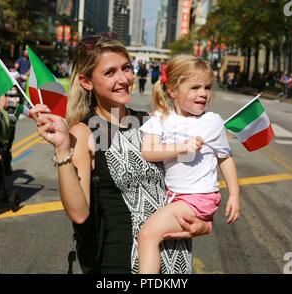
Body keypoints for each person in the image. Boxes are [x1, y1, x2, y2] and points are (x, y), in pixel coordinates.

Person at [30, 35, 211, 274]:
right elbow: (78, 213)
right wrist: (63, 148)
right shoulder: (83, 132)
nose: (123, 79)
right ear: (86, 81)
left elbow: (191, 183)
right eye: (110, 72)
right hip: (120, 262)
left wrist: (204, 224)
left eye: (126, 68)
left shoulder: (151, 122)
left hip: (175, 258)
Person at [137, 55, 241, 274]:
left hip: (199, 198)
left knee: (147, 235)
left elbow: (225, 157)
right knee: (159, 241)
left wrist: (234, 194)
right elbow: (149, 151)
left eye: (207, 87)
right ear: (173, 90)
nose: (203, 93)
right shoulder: (160, 118)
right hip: (175, 196)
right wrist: (182, 147)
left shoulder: (212, 121)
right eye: (194, 87)